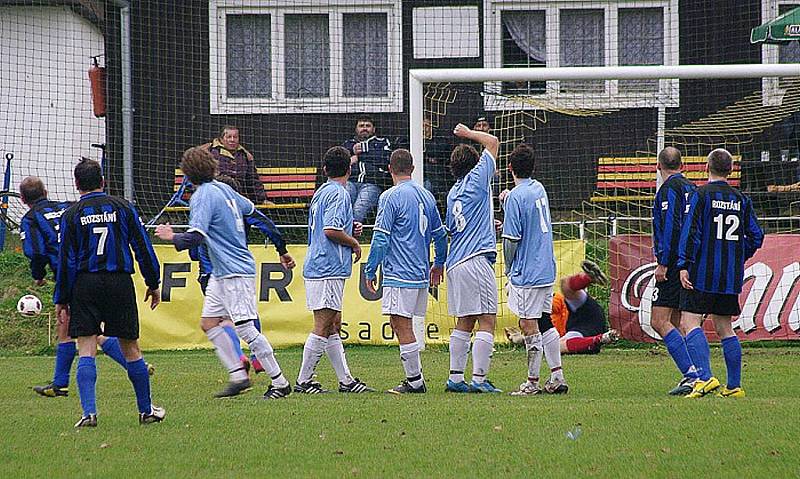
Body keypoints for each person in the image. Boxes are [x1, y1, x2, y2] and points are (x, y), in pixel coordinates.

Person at [155, 147, 295, 400]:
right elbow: (257, 214)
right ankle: (239, 376)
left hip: (234, 272)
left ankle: (280, 382)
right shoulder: (225, 189)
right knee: (208, 323)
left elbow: (196, 236)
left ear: (187, 174)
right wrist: (282, 249)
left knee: (246, 330)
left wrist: (171, 236)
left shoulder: (202, 196)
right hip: (222, 272)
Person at [54, 159, 164, 427]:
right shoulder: (123, 207)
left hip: (85, 284)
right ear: (103, 181)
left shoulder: (70, 215)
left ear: (77, 184)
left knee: (87, 347)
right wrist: (153, 281)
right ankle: (146, 411)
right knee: (131, 348)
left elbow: (65, 260)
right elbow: (142, 245)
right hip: (118, 283)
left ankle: (89, 413)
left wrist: (62, 298)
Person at [20, 176, 150, 398]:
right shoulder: (68, 207)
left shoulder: (31, 218)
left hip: (74, 271)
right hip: (93, 265)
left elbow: (36, 252)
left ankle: (64, 383)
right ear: (46, 191)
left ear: (22, 199)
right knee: (79, 330)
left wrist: (38, 275)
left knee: (80, 331)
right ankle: (133, 365)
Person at [677, 148, 764, 399]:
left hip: (702, 272)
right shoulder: (741, 199)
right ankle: (734, 386)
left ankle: (704, 377)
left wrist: (684, 264)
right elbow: (756, 236)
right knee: (725, 327)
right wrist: (739, 254)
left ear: (707, 167)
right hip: (729, 275)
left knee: (689, 321)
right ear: (731, 170)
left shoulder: (700, 195)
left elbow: (690, 231)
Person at [363, 149, 448, 394]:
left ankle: (414, 381)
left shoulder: (390, 197)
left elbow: (380, 238)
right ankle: (415, 379)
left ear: (390, 169)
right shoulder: (427, 196)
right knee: (404, 324)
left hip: (400, 272)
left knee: (400, 325)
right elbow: (440, 234)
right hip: (421, 272)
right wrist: (439, 262)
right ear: (412, 169)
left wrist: (371, 270)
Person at [189, 175, 290, 375]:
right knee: (246, 315)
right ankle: (256, 358)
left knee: (222, 320)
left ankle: (239, 358)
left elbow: (194, 246)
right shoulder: (240, 208)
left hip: (213, 273)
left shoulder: (208, 206)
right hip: (237, 269)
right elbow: (266, 224)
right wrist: (281, 249)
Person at [297, 146, 373, 394]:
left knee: (333, 325)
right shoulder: (339, 194)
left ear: (325, 170)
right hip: (326, 267)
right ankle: (303, 381)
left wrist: (350, 229)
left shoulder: (322, 192)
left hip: (320, 264)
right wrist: (353, 242)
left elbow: (327, 225)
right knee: (323, 325)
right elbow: (330, 230)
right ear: (350, 169)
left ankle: (346, 381)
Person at [501, 144, 568, 396]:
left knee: (527, 323)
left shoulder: (517, 197)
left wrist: (509, 267)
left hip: (526, 271)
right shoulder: (538, 188)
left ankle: (532, 382)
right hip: (545, 268)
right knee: (544, 320)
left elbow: (511, 240)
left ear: (510, 168)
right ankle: (557, 376)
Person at [444, 123, 501, 393]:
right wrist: (468, 134)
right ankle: (479, 379)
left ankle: (456, 378)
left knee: (464, 320)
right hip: (475, 257)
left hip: (456, 260)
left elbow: (454, 227)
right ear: (476, 164)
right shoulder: (477, 179)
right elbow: (493, 142)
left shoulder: (453, 193)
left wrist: (491, 224)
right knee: (487, 319)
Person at [650, 147, 701, 396]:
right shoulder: (693, 189)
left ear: (658, 167)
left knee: (658, 320)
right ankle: (700, 374)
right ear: (683, 165)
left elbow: (671, 227)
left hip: (674, 265)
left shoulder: (669, 190)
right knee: (681, 321)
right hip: (691, 264)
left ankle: (691, 375)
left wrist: (664, 263)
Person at [504, 262, 619, 355]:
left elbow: (554, 306)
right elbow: (539, 341)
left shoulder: (547, 301)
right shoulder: (525, 319)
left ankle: (589, 277)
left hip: (579, 312)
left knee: (565, 285)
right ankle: (602, 338)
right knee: (556, 346)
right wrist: (521, 340)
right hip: (579, 331)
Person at [342, 115, 392, 223]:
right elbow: (341, 160)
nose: (364, 128)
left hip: (372, 183)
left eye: (368, 126)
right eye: (361, 126)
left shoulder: (382, 142)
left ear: (373, 129)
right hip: (350, 181)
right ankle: (340, 234)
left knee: (358, 209)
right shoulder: (348, 144)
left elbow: (383, 159)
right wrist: (351, 150)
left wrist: (359, 156)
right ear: (356, 129)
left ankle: (351, 237)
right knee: (344, 204)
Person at [199, 125, 266, 204]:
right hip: (215, 196)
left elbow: (253, 180)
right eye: (229, 137)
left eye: (235, 137)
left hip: (238, 197)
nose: (232, 140)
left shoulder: (245, 155)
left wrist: (262, 200)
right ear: (221, 139)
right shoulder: (209, 152)